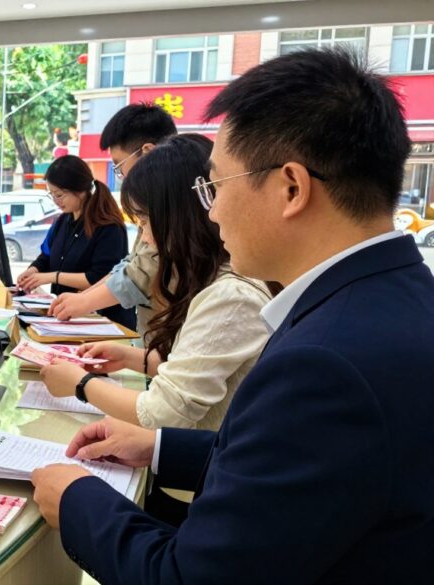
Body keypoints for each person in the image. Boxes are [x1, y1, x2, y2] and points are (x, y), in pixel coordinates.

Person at [31, 48, 434, 583]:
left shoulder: (326, 363)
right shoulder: (388, 297)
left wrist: (79, 500)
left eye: (214, 186)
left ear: (291, 188)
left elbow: (191, 576)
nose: (212, 210)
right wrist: (159, 448)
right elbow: (295, 467)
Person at [40, 135, 271, 432]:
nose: (147, 240)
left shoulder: (233, 296)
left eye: (147, 222)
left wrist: (81, 385)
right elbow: (196, 367)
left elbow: (165, 412)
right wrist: (131, 357)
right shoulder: (213, 280)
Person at [48, 104, 177, 334]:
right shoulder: (63, 221)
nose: (122, 177)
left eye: (119, 165)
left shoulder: (172, 204)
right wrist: (82, 298)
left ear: (148, 152)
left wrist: (82, 302)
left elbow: (139, 274)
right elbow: (130, 264)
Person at [15, 155, 134, 330]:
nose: (56, 200)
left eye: (60, 195)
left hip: (104, 321)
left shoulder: (108, 227)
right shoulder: (62, 221)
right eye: (52, 194)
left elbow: (100, 277)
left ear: (80, 190)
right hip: (68, 316)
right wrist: (33, 271)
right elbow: (47, 256)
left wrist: (51, 277)